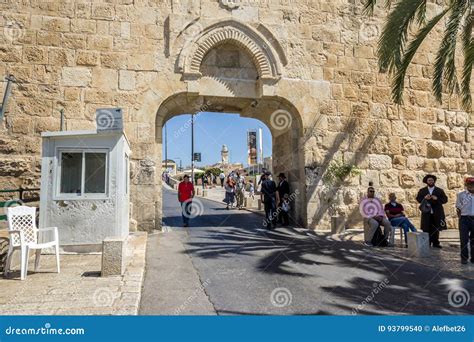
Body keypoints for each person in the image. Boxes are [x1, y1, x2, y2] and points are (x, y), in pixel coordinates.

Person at [416, 174, 448, 248]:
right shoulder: (422, 190)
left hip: (437, 212)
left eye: (432, 180)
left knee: (436, 227)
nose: (431, 181)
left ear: (434, 181)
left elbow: (445, 200)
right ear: (426, 182)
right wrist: (425, 198)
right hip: (426, 212)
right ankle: (427, 242)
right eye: (429, 180)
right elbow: (418, 199)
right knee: (426, 227)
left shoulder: (439, 190)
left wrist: (437, 199)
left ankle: (436, 242)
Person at [456, 177, 474, 264]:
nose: (471, 186)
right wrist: (460, 217)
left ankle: (473, 258)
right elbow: (458, 208)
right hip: (464, 219)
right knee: (463, 239)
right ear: (466, 185)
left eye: (473, 184)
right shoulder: (461, 195)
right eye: (469, 184)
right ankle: (464, 258)